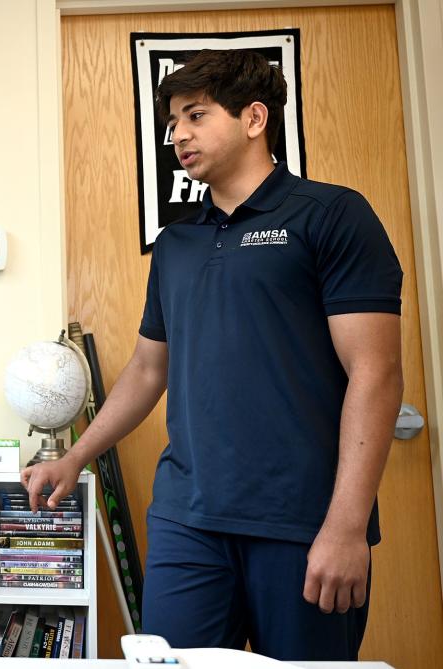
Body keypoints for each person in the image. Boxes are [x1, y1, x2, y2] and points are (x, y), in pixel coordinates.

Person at [22, 49, 403, 661]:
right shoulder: (177, 242)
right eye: (173, 122)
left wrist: (347, 525)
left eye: (195, 116)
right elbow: (149, 370)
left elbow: (376, 372)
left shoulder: (331, 215)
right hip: (187, 518)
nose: (178, 135)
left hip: (302, 520)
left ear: (254, 118)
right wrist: (78, 457)